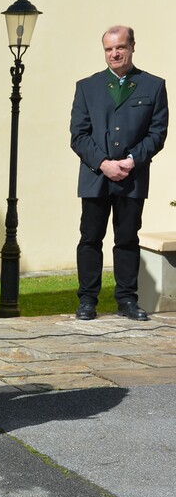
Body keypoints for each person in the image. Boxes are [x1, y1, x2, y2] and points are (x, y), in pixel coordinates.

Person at [70, 25, 168, 322]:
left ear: (133, 46)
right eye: (109, 49)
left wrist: (130, 161)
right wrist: (103, 163)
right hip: (95, 177)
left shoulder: (153, 86)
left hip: (132, 178)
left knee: (127, 239)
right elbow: (78, 135)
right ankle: (87, 300)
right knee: (90, 239)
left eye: (120, 47)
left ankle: (126, 299)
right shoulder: (87, 87)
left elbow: (157, 134)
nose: (114, 54)